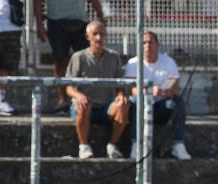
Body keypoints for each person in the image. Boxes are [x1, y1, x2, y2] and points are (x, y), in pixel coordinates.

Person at [65, 20, 130, 160]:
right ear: (88, 36)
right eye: (95, 34)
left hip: (107, 107)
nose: (98, 38)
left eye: (102, 34)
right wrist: (79, 95)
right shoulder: (78, 57)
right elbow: (69, 87)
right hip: (85, 106)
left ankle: (112, 145)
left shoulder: (114, 57)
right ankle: (83, 146)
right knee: (83, 104)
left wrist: (120, 95)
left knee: (124, 104)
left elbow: (120, 85)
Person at [124, 31, 192, 161]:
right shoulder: (133, 63)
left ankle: (178, 145)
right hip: (143, 106)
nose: (147, 46)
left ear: (157, 45)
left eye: (151, 42)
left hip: (161, 106)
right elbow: (130, 89)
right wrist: (148, 92)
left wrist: (165, 92)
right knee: (135, 101)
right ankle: (136, 145)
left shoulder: (169, 62)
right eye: (144, 43)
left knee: (178, 101)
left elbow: (176, 87)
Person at [33, 0, 106, 113]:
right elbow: (37, 2)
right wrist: (39, 24)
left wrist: (101, 17)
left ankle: (85, 99)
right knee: (61, 60)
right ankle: (63, 101)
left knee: (86, 60)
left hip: (81, 21)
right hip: (56, 21)